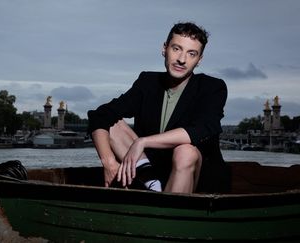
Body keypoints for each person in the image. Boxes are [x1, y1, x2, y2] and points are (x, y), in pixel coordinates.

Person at [87, 22, 230, 193]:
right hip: (152, 172)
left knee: (185, 152)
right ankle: (152, 182)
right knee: (113, 123)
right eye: (176, 49)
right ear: (164, 48)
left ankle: (170, 214)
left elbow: (202, 129)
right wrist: (109, 162)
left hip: (199, 183)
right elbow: (100, 115)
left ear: (199, 60)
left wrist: (143, 141)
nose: (182, 59)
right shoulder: (147, 82)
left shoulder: (212, 87)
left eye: (191, 54)